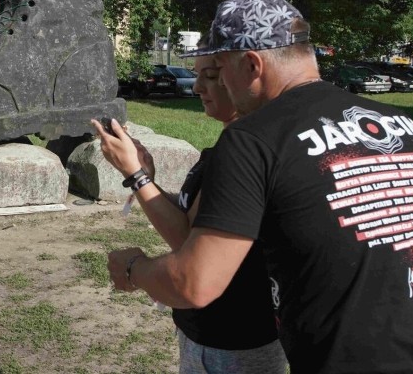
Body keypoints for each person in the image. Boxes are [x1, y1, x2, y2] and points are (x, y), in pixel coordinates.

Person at [93, 0, 413, 374]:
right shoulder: (404, 126)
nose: (214, 83)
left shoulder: (254, 139)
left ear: (252, 64)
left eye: (220, 67)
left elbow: (194, 284)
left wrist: (133, 267)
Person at [114, 47, 286, 373]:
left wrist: (136, 178)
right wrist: (146, 179)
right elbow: (195, 222)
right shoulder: (231, 146)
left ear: (246, 74)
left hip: (232, 339)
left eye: (209, 76)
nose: (196, 87)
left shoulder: (243, 156)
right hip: (213, 334)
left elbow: (186, 240)